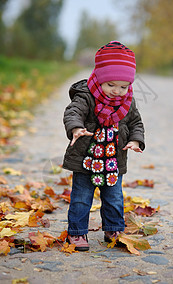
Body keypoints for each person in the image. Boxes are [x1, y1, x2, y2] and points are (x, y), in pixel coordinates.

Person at [62, 41, 145, 251]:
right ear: (99, 79)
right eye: (111, 85)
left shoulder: (127, 101)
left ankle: (113, 228)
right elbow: (73, 112)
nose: (117, 91)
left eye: (123, 86)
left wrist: (135, 140)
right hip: (85, 159)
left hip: (113, 160)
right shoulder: (86, 96)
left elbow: (136, 122)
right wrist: (76, 128)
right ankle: (77, 232)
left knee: (114, 197)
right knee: (81, 198)